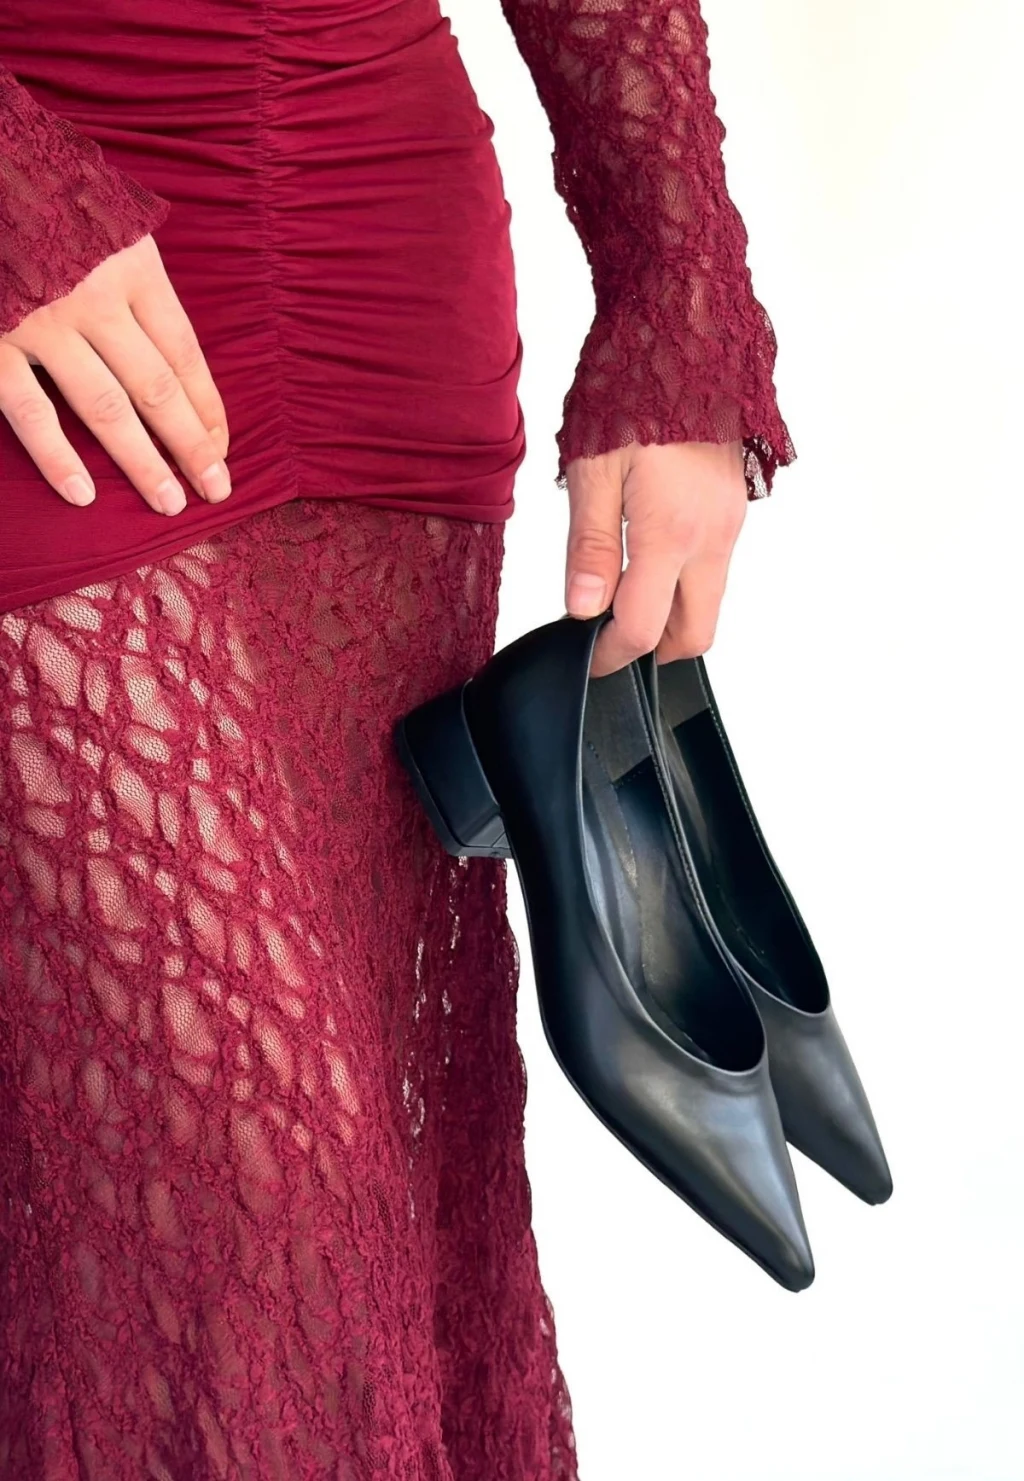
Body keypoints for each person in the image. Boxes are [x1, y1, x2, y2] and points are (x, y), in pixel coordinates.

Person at [0, 0, 795, 1474]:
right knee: (252, 1209)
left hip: (372, 253)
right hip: (41, 289)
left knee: (390, 1176)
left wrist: (674, 279)